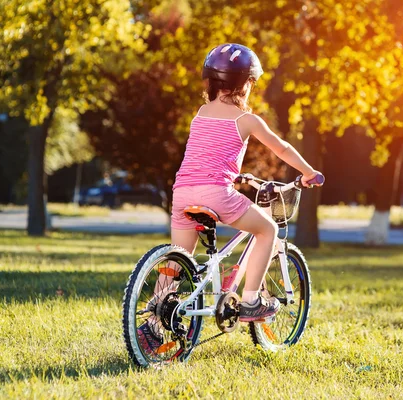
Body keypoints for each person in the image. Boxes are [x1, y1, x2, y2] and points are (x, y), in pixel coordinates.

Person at [137, 43, 322, 351]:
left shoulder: (201, 114)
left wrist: (234, 174)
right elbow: (282, 148)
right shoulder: (246, 120)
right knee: (268, 229)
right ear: (247, 83)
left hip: (182, 193)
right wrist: (308, 172)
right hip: (216, 194)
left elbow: (206, 154)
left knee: (176, 263)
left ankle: (153, 325)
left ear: (210, 82)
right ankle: (250, 301)